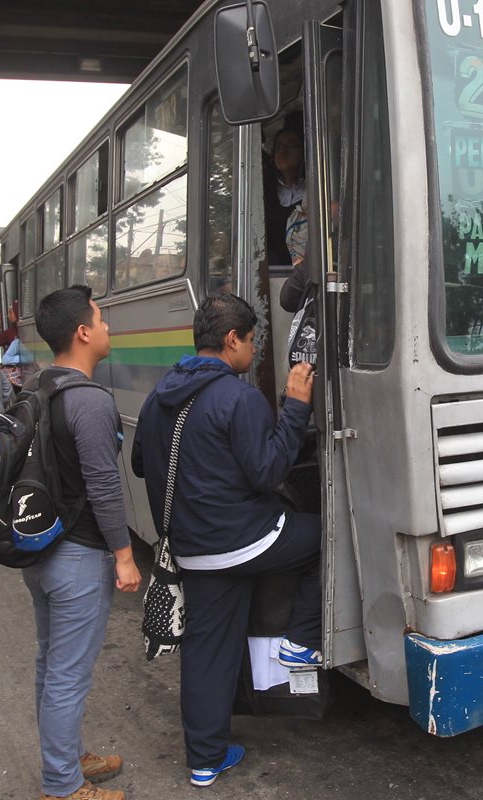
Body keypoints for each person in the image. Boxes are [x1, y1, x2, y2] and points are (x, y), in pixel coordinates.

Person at [131, 292, 321, 788]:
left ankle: (205, 759)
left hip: (193, 551)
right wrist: (296, 407)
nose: (255, 351)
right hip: (246, 542)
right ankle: (301, 642)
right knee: (326, 537)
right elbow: (268, 471)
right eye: (253, 340)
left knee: (206, 651)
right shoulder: (238, 397)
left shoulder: (159, 396)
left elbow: (138, 463)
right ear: (232, 339)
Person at [24, 285, 140, 800]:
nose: (109, 328)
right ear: (83, 332)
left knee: (51, 665)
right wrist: (124, 556)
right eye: (102, 319)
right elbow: (104, 486)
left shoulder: (37, 388)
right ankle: (63, 785)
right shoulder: (89, 400)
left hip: (41, 549)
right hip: (79, 555)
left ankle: (67, 758)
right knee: (67, 674)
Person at [264, 113, 305, 268]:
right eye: (279, 146)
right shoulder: (263, 193)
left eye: (291, 145)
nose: (283, 151)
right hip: (272, 274)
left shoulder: (316, 190)